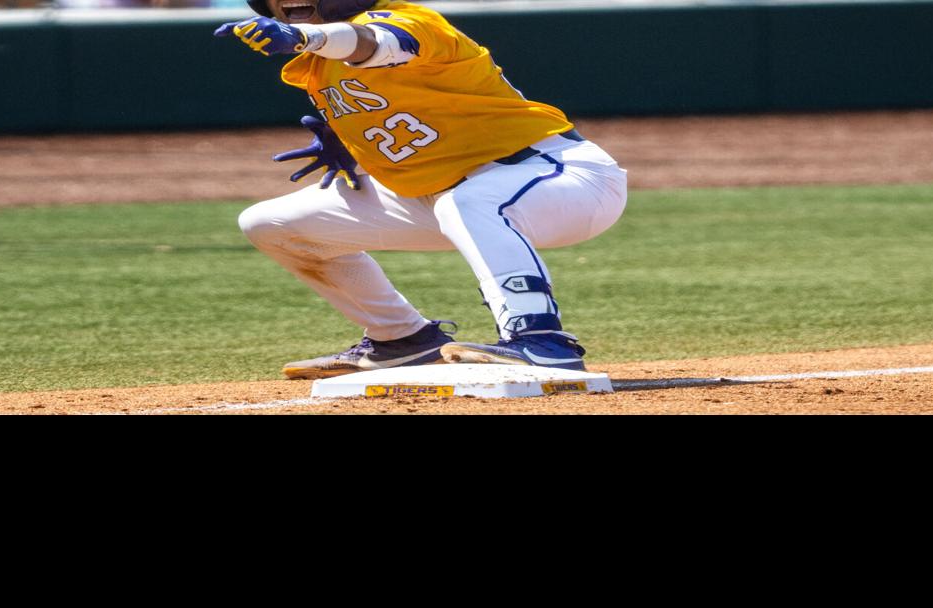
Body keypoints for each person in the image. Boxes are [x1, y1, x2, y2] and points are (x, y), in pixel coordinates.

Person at [215, 0, 628, 379]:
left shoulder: (408, 19)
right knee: (269, 223)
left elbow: (371, 42)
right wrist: (349, 140)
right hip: (444, 196)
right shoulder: (319, 65)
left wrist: (307, 37)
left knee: (469, 200)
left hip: (559, 177)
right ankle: (402, 339)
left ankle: (541, 340)